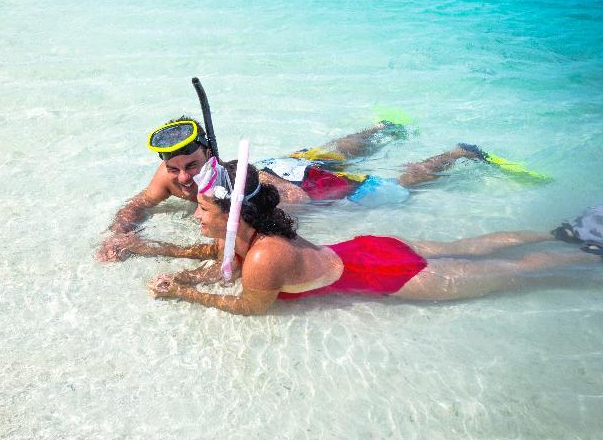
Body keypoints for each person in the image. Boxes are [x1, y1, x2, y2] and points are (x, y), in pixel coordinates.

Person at [148, 159, 600, 316]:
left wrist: (187, 296)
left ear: (232, 217)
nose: (197, 217)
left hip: (389, 273)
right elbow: (221, 259)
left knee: (509, 273)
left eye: (204, 209)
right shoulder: (258, 232)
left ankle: (583, 254)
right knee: (473, 245)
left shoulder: (266, 257)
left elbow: (251, 306)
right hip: (369, 247)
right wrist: (181, 272)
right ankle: (561, 232)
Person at [97, 114, 530, 261]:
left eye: (190, 165)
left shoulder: (231, 183)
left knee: (395, 187)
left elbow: (283, 208)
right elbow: (137, 205)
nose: (182, 178)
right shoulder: (172, 177)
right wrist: (122, 231)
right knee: (328, 149)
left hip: (301, 185)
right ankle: (384, 128)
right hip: (281, 164)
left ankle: (458, 153)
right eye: (173, 170)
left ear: (209, 153)